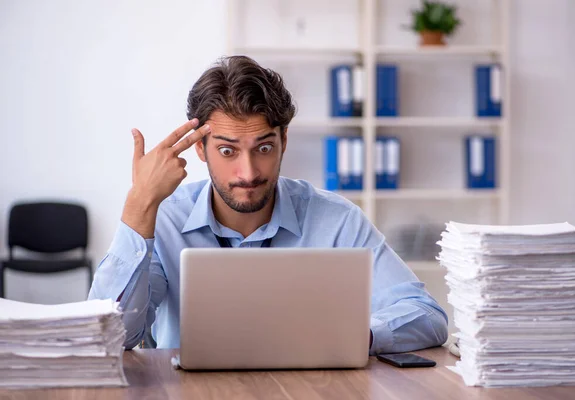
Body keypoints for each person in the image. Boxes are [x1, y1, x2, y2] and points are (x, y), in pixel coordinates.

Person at [88, 55, 448, 354]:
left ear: (284, 140)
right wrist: (139, 205)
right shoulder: (163, 218)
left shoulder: (336, 219)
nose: (248, 172)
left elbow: (427, 317)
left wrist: (350, 338)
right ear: (200, 149)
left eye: (263, 148)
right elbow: (111, 337)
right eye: (227, 151)